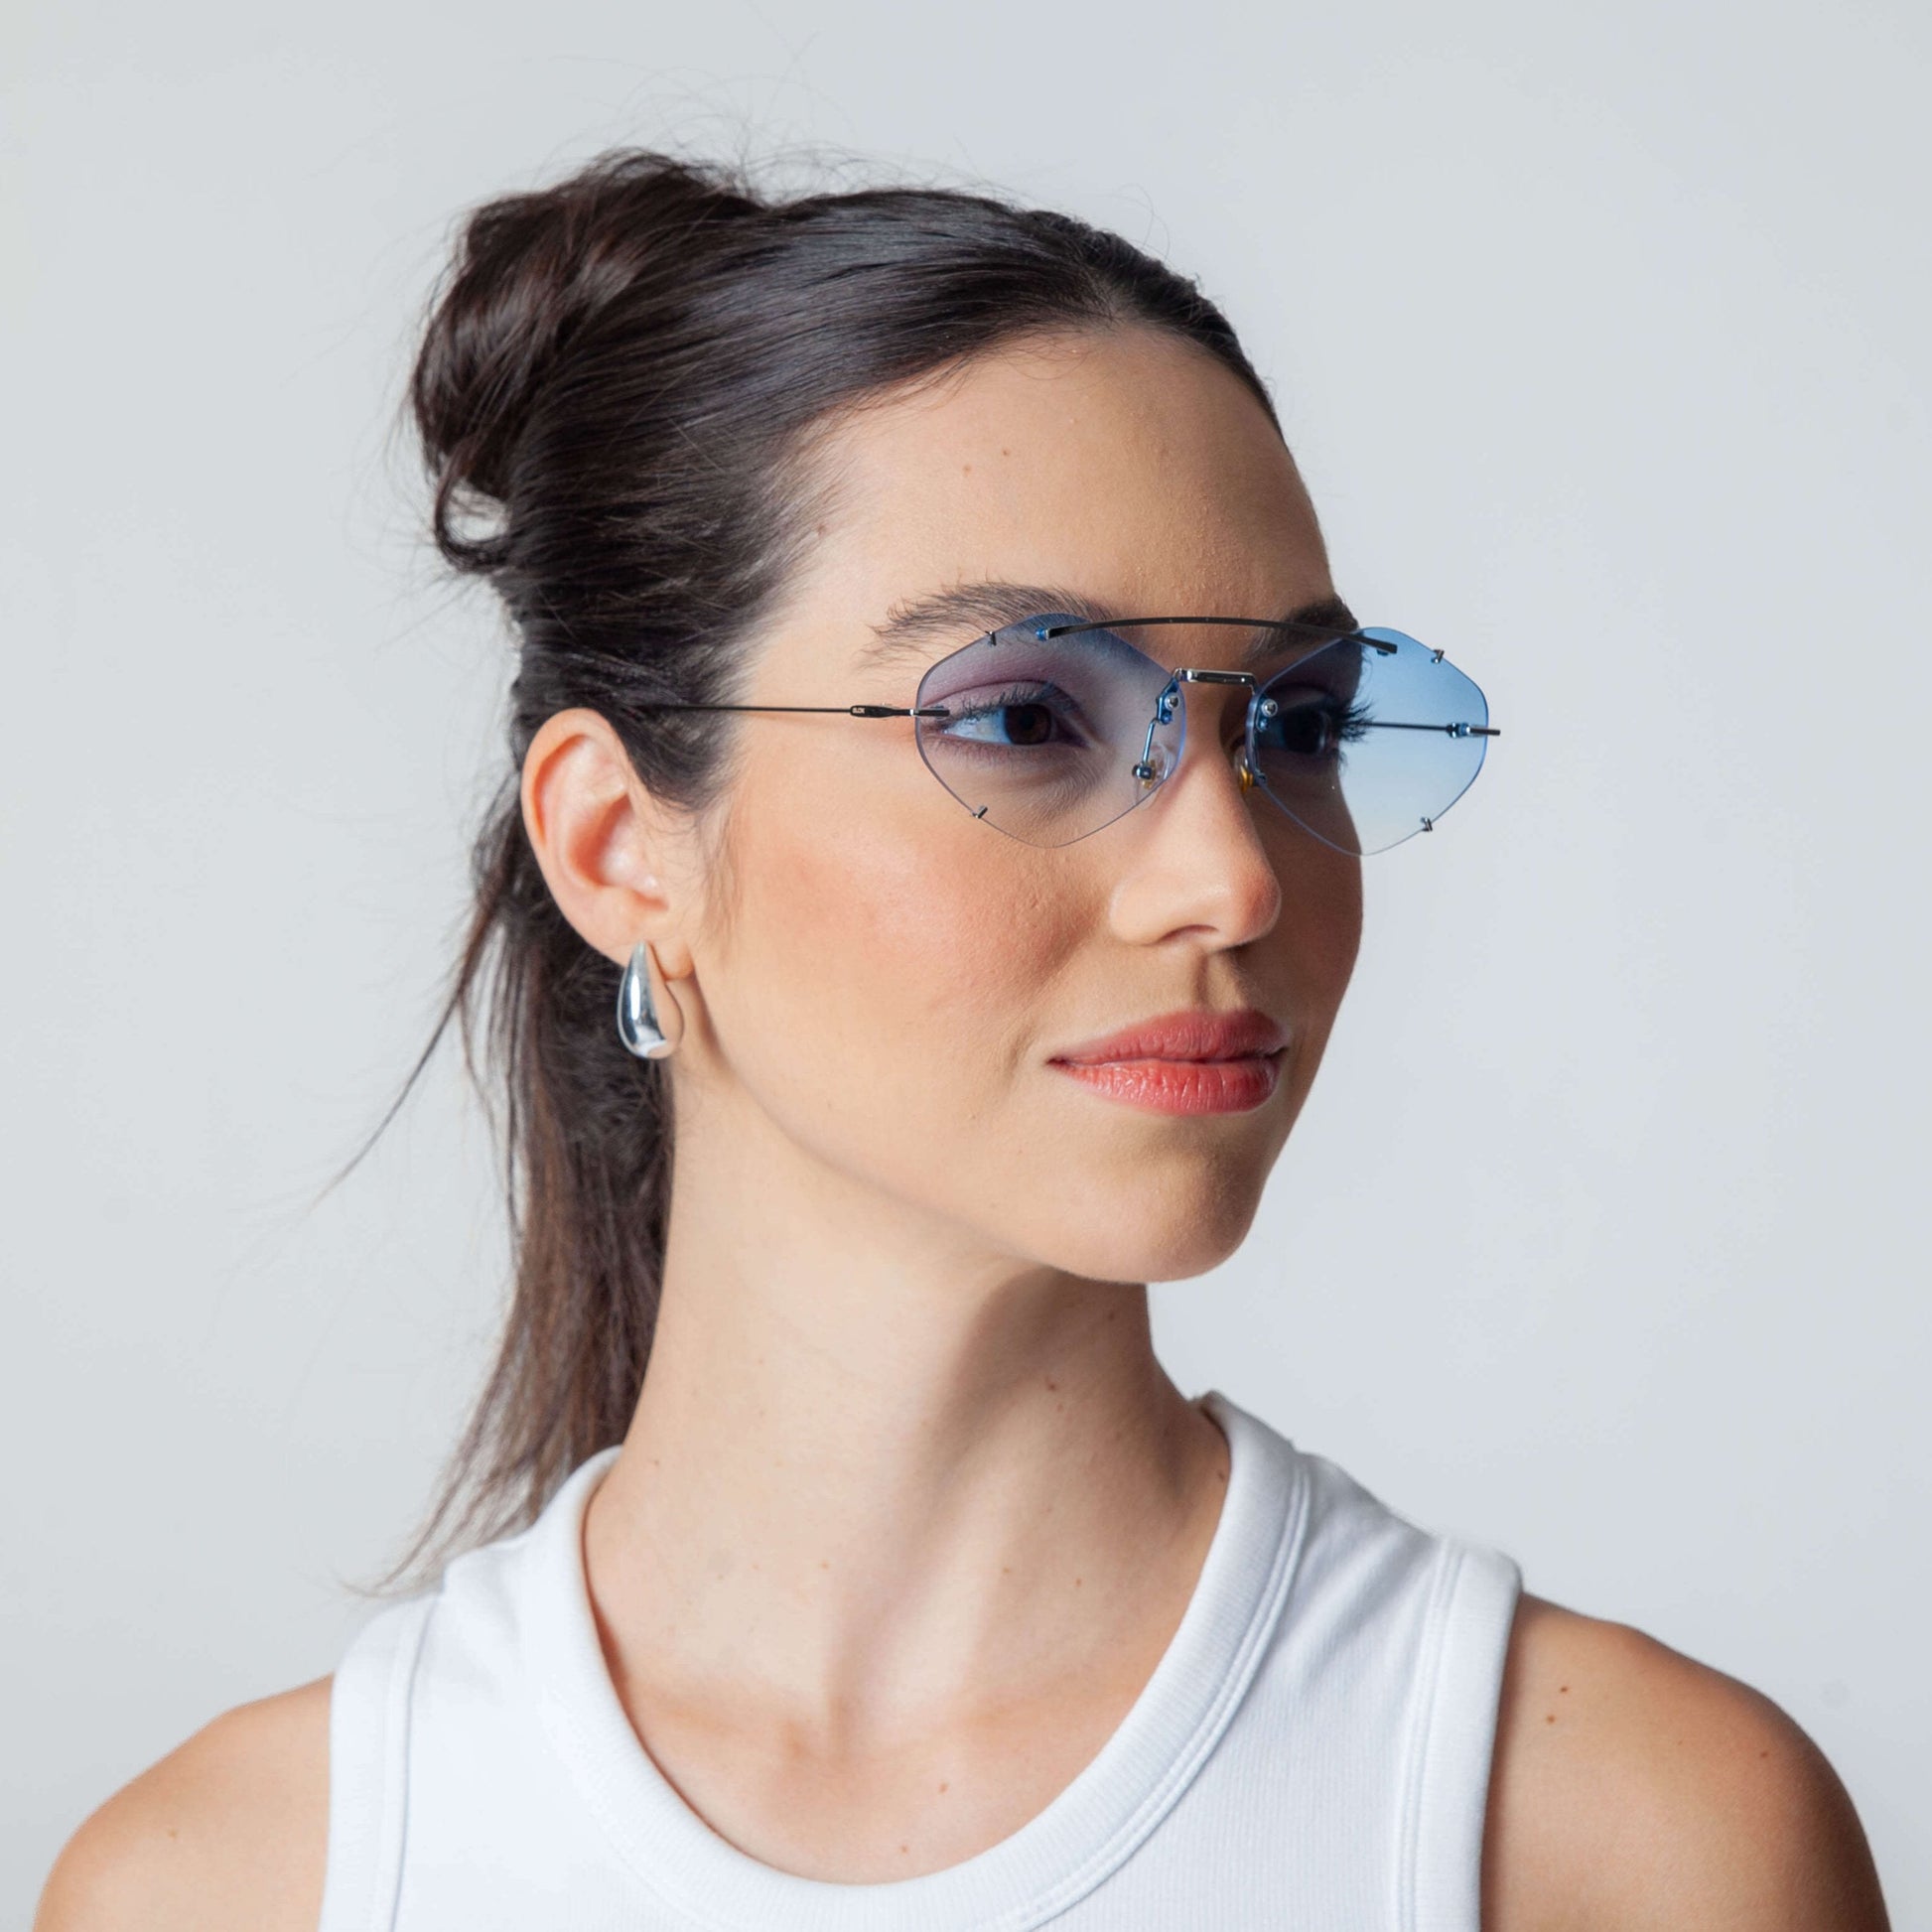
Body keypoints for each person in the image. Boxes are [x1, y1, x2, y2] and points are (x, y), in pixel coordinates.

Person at [36, 150, 1890, 1932]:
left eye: (1300, 727)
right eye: (1022, 721)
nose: (1235, 875)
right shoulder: (233, 1890)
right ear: (616, 846)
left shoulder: (1623, 1845)